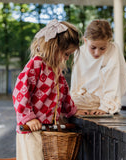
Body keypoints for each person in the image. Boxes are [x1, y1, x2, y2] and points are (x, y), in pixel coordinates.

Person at [12, 19, 80, 160]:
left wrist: (73, 111)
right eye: (66, 54)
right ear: (54, 47)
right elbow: (20, 91)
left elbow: (64, 94)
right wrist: (28, 118)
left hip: (46, 129)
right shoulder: (36, 65)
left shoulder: (56, 70)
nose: (67, 58)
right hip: (31, 129)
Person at [70, 19, 126, 116]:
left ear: (109, 42)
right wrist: (74, 107)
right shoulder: (79, 52)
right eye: (93, 47)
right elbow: (76, 85)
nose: (97, 53)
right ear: (85, 41)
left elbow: (113, 81)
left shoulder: (113, 49)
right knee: (61, 103)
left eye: (102, 48)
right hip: (85, 99)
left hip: (105, 98)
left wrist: (105, 107)